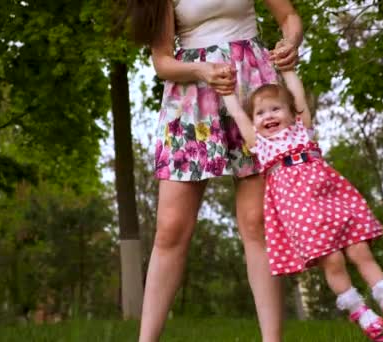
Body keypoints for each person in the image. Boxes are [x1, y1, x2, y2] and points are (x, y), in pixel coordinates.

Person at [128, 1, 303, 341]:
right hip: (193, 94)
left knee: (256, 222)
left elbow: (289, 16)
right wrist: (203, 71)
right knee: (171, 228)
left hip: (254, 88)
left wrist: (290, 43)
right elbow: (162, 62)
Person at [223, 68, 383, 342]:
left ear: (291, 113)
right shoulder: (260, 144)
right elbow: (238, 116)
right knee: (333, 260)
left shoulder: (301, 131)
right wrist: (226, 93)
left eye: (275, 109)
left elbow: (300, 99)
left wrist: (288, 71)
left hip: (332, 199)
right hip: (301, 212)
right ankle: (362, 314)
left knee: (360, 248)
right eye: (260, 113)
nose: (268, 116)